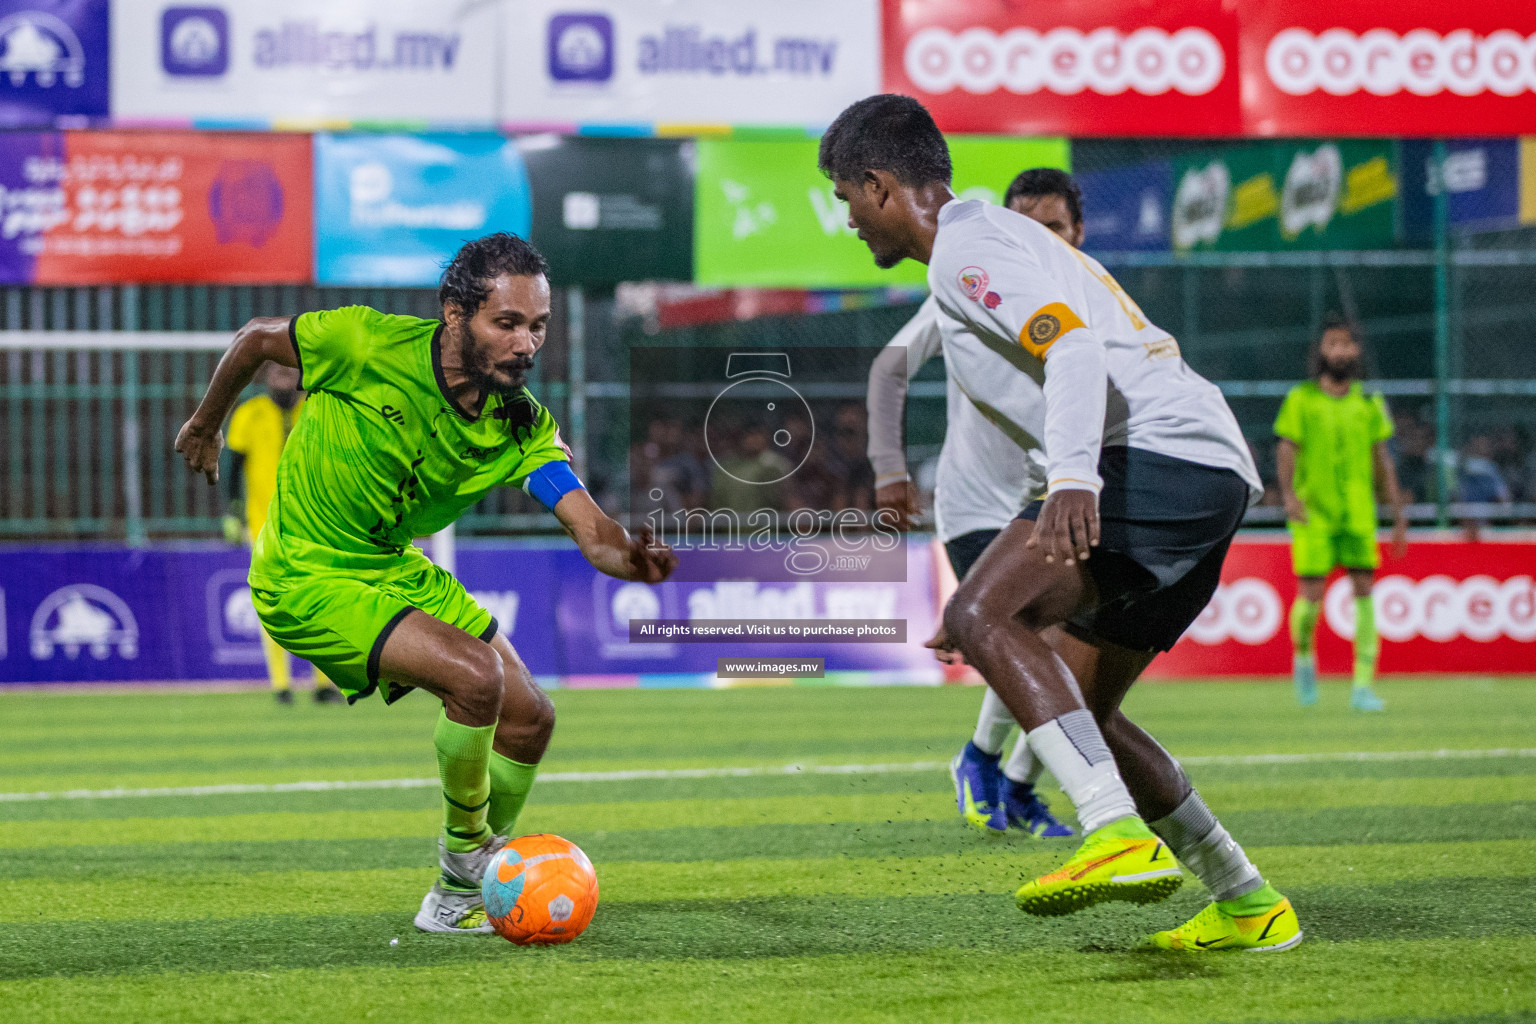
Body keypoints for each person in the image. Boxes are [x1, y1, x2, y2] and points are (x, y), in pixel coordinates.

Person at [822, 95, 1300, 953]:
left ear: (878, 184)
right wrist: (1021, 552)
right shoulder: (997, 240)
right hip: (1203, 467)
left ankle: (1113, 833)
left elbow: (1072, 349)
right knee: (1083, 712)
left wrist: (1074, 482)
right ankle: (1246, 899)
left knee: (981, 620)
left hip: (1150, 458)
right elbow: (1062, 381)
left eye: (846, 197)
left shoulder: (963, 253)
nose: (848, 218)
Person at [175, 233, 677, 934]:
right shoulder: (365, 343)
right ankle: (472, 854)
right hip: (305, 570)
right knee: (476, 678)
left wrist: (633, 559)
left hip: (390, 564)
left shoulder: (520, 426)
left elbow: (593, 532)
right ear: (454, 314)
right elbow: (259, 338)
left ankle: (452, 896)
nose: (526, 344)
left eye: (537, 326)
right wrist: (206, 422)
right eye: (506, 324)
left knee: (531, 715)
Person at [867, 168, 1089, 839]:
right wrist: (889, 470)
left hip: (1052, 496)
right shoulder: (977, 274)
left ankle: (1006, 774)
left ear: (1078, 232)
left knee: (1075, 646)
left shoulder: (1090, 296)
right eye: (1025, 224)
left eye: (1052, 227)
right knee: (1039, 637)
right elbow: (889, 366)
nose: (1038, 238)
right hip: (977, 503)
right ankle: (995, 768)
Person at [1275, 316, 1406, 712]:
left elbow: (1382, 459)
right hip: (1314, 512)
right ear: (1321, 351)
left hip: (1358, 513)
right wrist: (1289, 497)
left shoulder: (1368, 401)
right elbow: (1286, 448)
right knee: (1310, 595)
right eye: (1332, 344)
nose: (1340, 351)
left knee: (1365, 592)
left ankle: (1363, 687)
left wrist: (1397, 514)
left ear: (1357, 351)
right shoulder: (1301, 398)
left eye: (1347, 344)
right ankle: (1303, 662)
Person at [225, 363, 343, 705]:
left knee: (320, 603)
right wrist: (233, 514)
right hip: (263, 526)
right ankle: (281, 685)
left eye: (289, 372)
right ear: (266, 377)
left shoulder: (318, 409)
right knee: (275, 605)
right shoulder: (250, 414)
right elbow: (232, 468)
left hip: (315, 525)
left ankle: (323, 684)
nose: (283, 379)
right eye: (277, 373)